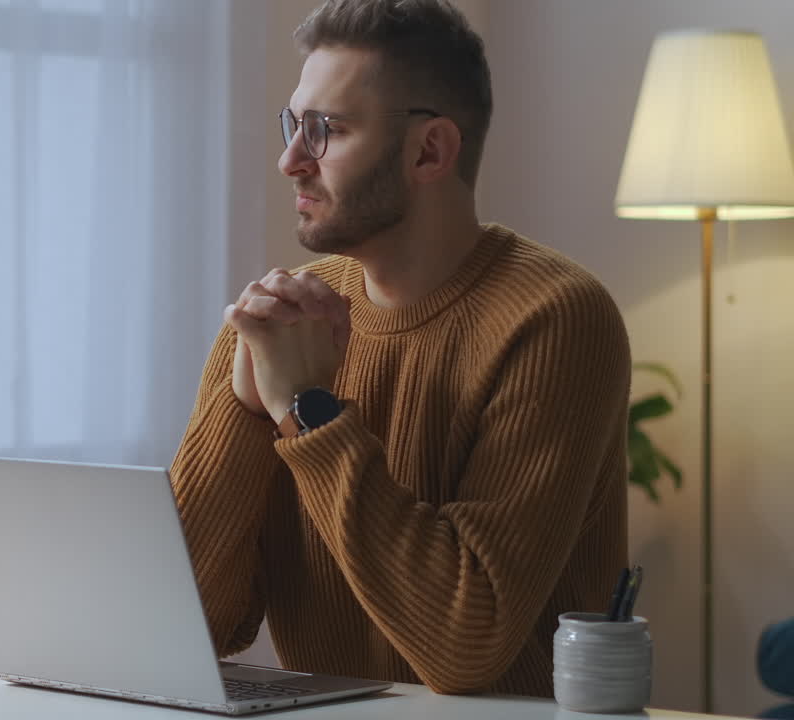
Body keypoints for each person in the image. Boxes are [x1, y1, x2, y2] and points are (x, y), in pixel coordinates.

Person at [169, 0, 630, 698]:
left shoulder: (554, 318)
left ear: (429, 151)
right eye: (294, 125)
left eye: (326, 130)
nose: (290, 160)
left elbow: (464, 647)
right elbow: (185, 629)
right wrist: (245, 411)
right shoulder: (284, 323)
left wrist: (307, 410)